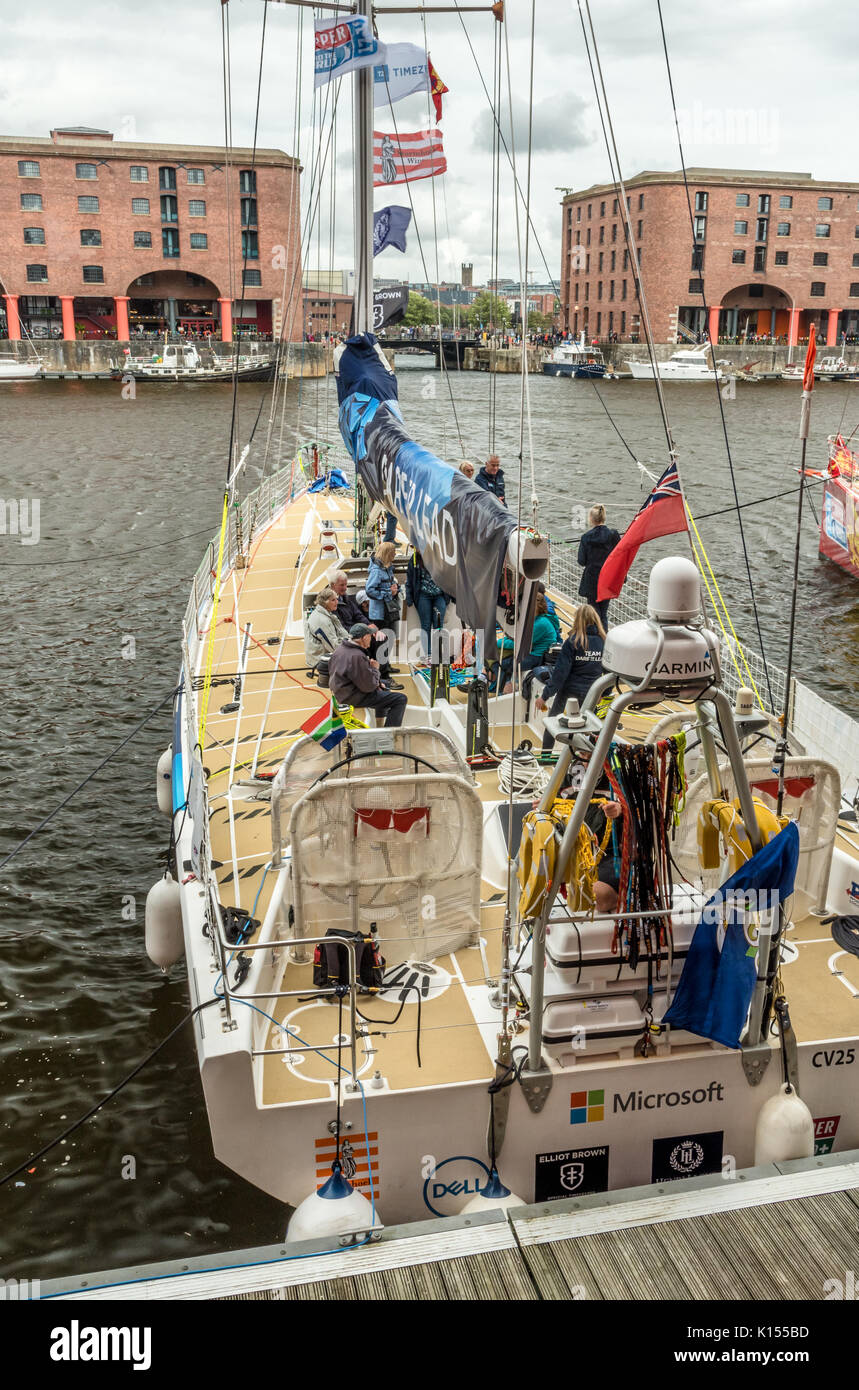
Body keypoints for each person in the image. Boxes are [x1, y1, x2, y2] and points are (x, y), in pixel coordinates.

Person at [557, 751, 623, 913]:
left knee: (598, 895)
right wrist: (548, 805)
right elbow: (559, 800)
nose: (585, 762)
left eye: (590, 756)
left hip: (611, 854)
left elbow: (639, 813)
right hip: (577, 849)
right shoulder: (575, 772)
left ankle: (621, 898)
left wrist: (620, 810)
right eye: (583, 756)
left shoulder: (619, 777)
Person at [535, 604, 606, 751]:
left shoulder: (573, 642)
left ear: (578, 620)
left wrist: (545, 696)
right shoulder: (604, 642)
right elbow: (610, 672)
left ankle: (546, 755)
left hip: (569, 692)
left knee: (552, 723)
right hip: (592, 692)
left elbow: (560, 674)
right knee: (591, 726)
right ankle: (593, 759)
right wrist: (603, 693)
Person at [329, 569, 402, 685]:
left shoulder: (345, 598)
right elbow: (340, 626)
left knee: (382, 637)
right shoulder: (332, 602)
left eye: (346, 584)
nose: (345, 588)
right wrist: (364, 631)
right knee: (376, 641)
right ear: (333, 586)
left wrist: (370, 625)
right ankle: (383, 675)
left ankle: (383, 668)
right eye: (342, 585)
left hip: (358, 629)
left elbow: (357, 614)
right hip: (349, 634)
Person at [329, 624, 407, 728]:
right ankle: (388, 735)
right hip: (351, 697)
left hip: (341, 692)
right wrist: (375, 669)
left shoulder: (340, 649)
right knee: (400, 699)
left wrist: (376, 681)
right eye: (370, 636)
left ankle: (379, 726)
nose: (372, 639)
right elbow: (368, 687)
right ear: (364, 637)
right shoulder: (357, 656)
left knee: (385, 684)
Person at [577, 504, 620, 627]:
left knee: (593, 612)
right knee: (603, 612)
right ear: (604, 517)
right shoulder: (613, 535)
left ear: (591, 518)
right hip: (608, 578)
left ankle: (595, 639)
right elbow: (619, 556)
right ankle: (604, 639)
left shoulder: (586, 537)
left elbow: (581, 561)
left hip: (592, 580)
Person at [406, 546, 449, 663]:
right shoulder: (414, 560)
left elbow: (449, 576)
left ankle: (438, 654)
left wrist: (451, 597)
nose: (417, 549)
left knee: (438, 625)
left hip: (439, 595)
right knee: (425, 626)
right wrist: (409, 598)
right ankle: (428, 655)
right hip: (423, 596)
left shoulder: (440, 557)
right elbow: (409, 580)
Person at [303, 587, 348, 672]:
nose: (337, 602)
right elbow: (334, 647)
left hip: (317, 655)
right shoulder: (323, 621)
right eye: (333, 600)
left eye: (336, 599)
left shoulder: (322, 613)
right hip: (318, 661)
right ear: (325, 602)